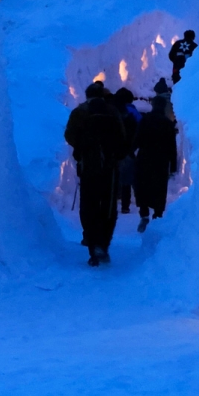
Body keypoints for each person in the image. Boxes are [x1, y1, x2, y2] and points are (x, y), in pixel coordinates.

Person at [65, 85, 128, 266]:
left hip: (88, 168)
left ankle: (93, 247)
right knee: (108, 207)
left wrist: (83, 149)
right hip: (110, 167)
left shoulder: (80, 113)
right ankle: (104, 244)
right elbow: (122, 139)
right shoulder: (112, 112)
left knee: (89, 206)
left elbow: (69, 135)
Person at [134, 94, 178, 233]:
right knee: (159, 188)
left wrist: (130, 153)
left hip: (145, 157)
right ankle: (157, 215)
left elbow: (137, 139)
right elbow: (172, 146)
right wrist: (173, 165)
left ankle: (144, 213)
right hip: (161, 160)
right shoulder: (167, 123)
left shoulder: (145, 120)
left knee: (142, 186)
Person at [113, 87, 140, 213]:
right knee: (127, 179)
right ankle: (125, 205)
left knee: (114, 175)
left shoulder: (112, 110)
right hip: (128, 149)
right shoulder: (132, 112)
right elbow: (141, 126)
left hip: (113, 148)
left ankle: (112, 201)